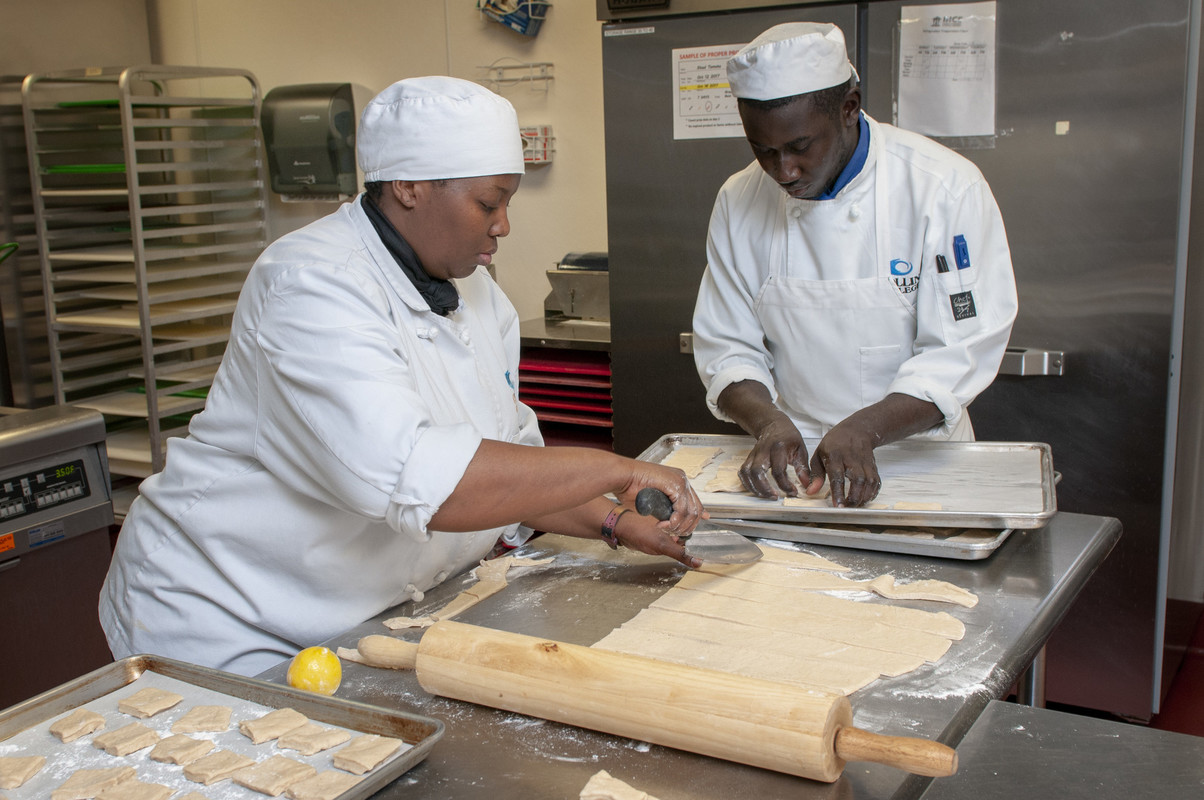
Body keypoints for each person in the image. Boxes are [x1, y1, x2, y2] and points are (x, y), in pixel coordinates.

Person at [99, 76, 703, 677]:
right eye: (489, 204)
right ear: (410, 186)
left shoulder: (478, 294)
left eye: (508, 203)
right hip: (236, 614)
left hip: (361, 612)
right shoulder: (311, 283)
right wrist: (618, 469)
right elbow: (423, 479)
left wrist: (616, 522)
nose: (504, 226)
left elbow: (515, 469)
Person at [692, 22, 1018, 508]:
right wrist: (769, 423)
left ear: (849, 108)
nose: (783, 172)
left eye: (800, 147)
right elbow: (726, 347)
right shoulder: (739, 200)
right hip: (794, 472)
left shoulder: (942, 188)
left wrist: (865, 428)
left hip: (918, 466)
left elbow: (962, 350)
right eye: (763, 151)